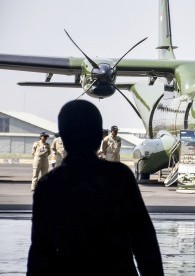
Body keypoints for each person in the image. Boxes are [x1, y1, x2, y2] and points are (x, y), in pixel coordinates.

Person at [27, 100, 164, 276]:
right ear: (99, 137)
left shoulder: (48, 186)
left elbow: (40, 251)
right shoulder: (119, 177)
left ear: (64, 138)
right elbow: (144, 240)